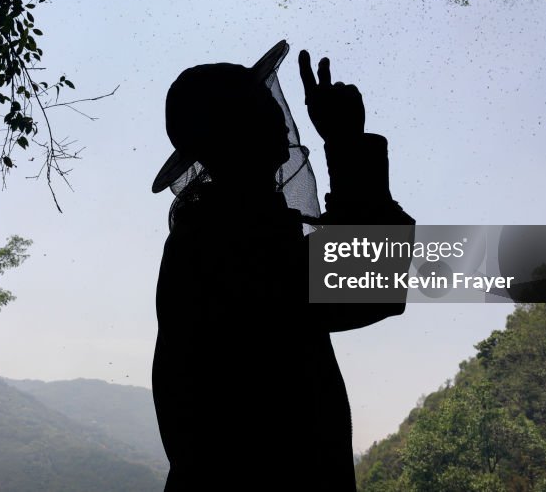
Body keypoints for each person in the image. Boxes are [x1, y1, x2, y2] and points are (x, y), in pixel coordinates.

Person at [151, 42, 413, 490]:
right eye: (261, 104)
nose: (278, 112)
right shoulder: (232, 237)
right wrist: (348, 144)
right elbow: (374, 286)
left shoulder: (216, 228)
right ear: (235, 130)